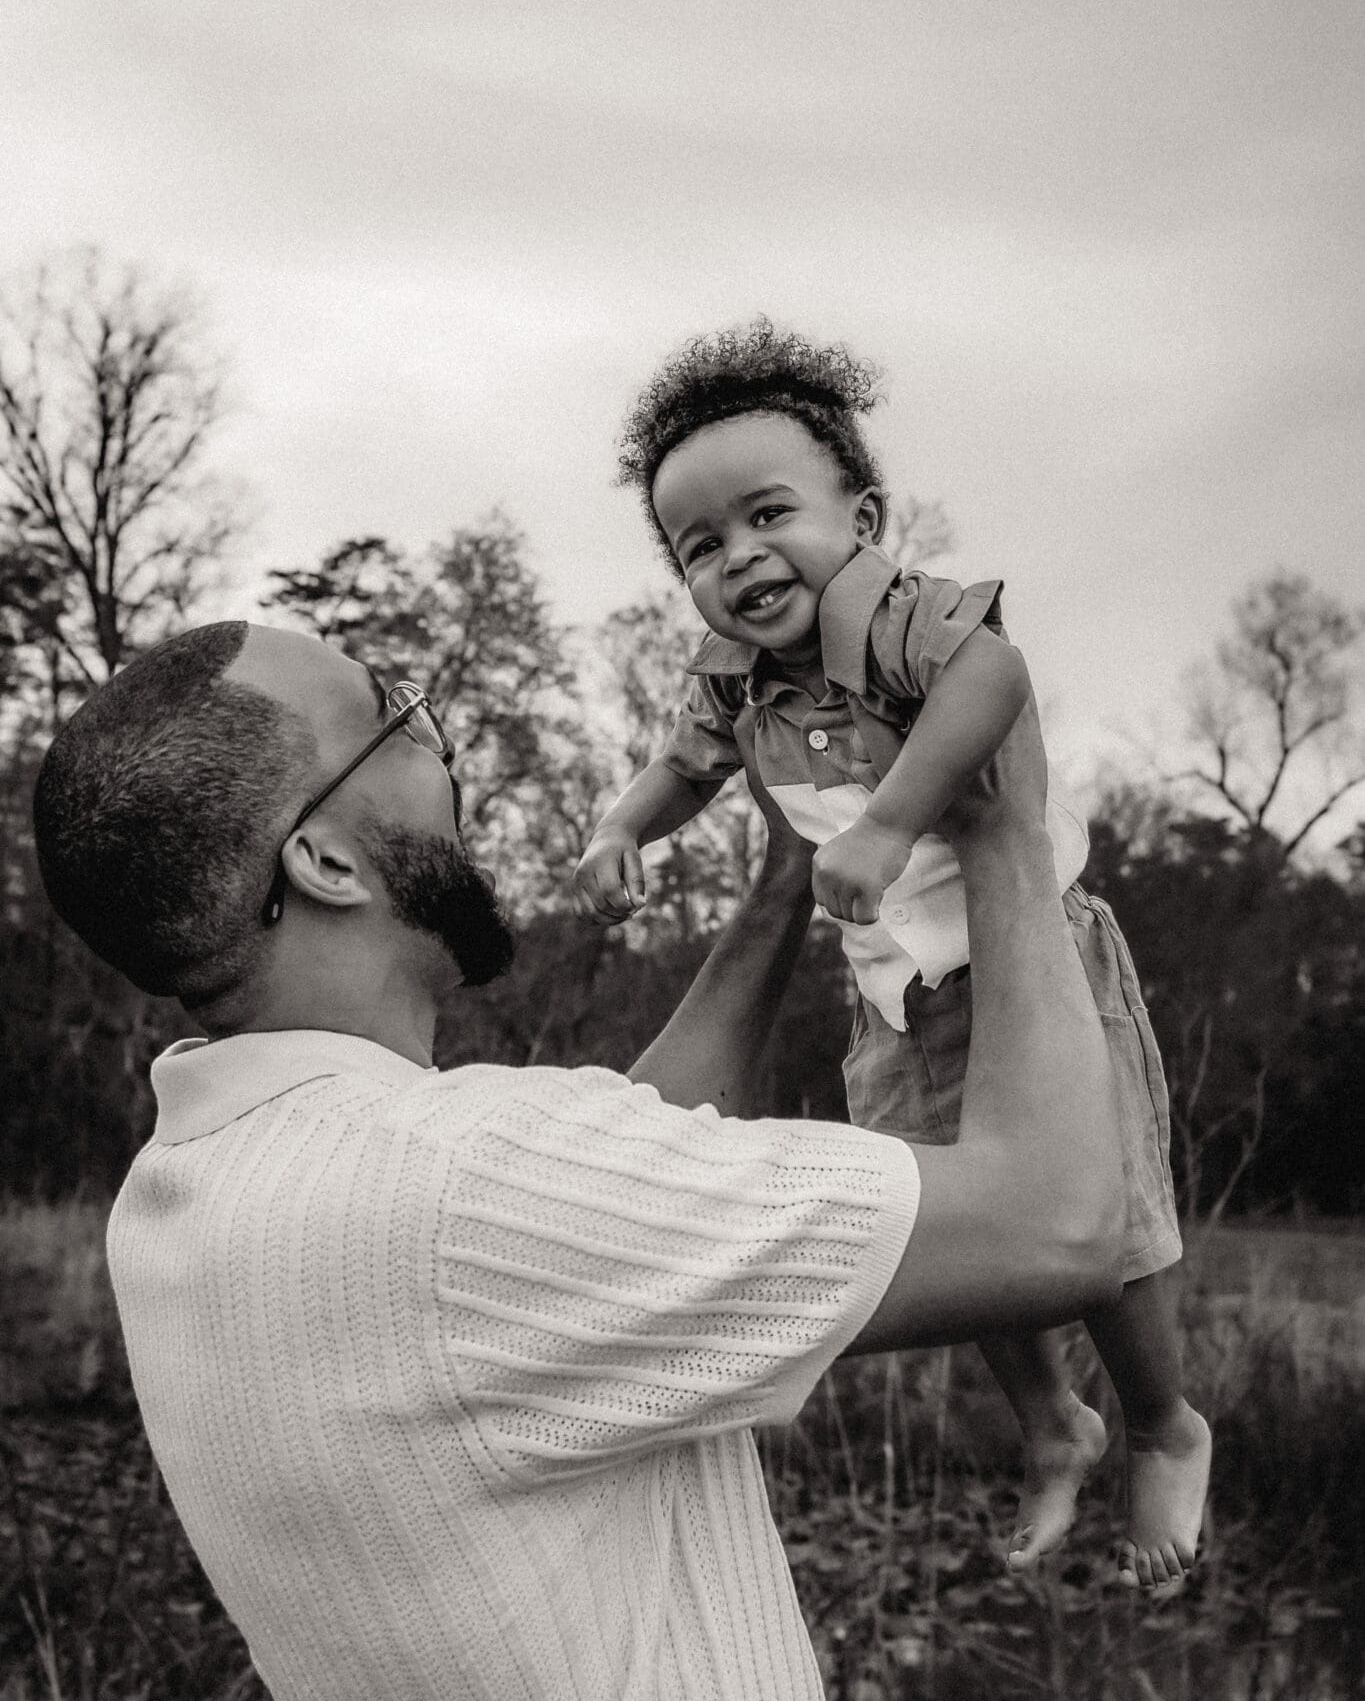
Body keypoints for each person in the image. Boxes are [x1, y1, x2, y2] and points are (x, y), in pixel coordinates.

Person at [34, 616, 1123, 1701]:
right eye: (396, 719)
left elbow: (613, 1176)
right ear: (323, 861)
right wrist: (1000, 824)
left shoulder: (178, 1195)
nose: (441, 738)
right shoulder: (462, 1183)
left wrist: (792, 866)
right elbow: (1057, 1220)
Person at [574, 320, 1210, 1586]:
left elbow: (995, 679)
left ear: (859, 513)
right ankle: (1052, 1424)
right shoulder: (734, 680)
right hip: (897, 991)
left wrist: (886, 819)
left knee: (1111, 1218)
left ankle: (1161, 1422)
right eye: (702, 546)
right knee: (960, 1217)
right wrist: (618, 824)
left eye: (768, 515)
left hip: (1042, 962)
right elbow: (682, 764)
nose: (741, 557)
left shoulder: (903, 614)